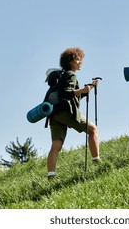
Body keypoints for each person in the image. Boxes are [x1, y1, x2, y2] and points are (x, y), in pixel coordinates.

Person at [46, 47, 100, 179]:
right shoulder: (70, 74)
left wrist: (88, 89)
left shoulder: (62, 76)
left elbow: (70, 95)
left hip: (54, 114)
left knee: (56, 144)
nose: (80, 62)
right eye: (77, 59)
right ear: (69, 61)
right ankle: (97, 162)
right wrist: (82, 90)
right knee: (92, 129)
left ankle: (51, 176)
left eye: (80, 59)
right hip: (66, 112)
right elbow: (66, 93)